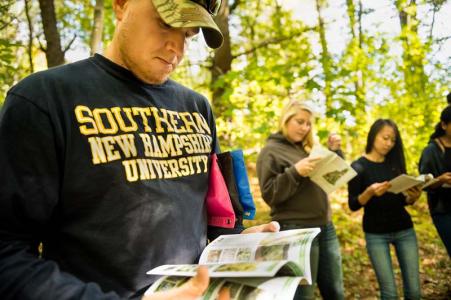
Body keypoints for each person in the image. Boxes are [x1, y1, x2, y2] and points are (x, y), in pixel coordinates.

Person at [0, 0, 279, 299]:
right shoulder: (44, 100)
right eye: (166, 23)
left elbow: (216, 214)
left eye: (188, 34)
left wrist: (233, 245)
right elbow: (7, 254)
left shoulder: (198, 108)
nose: (177, 48)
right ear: (121, 5)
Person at [256, 100, 345, 300]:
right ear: (286, 120)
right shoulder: (270, 151)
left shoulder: (306, 149)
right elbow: (270, 194)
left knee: (336, 291)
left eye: (308, 124)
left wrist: (334, 153)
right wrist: (295, 172)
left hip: (325, 226)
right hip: (297, 230)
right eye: (300, 121)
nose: (304, 128)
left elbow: (332, 178)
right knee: (303, 294)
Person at [348, 119, 422, 300]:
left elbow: (402, 199)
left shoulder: (394, 164)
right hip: (376, 234)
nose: (389, 144)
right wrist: (369, 192)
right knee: (389, 292)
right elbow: (353, 204)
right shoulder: (358, 167)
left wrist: (412, 197)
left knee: (414, 290)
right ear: (373, 136)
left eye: (393, 140)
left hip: (404, 230)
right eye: (385, 138)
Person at [419, 105, 451, 257]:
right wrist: (441, 180)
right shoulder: (430, 151)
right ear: (444, 125)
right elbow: (422, 183)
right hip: (443, 210)